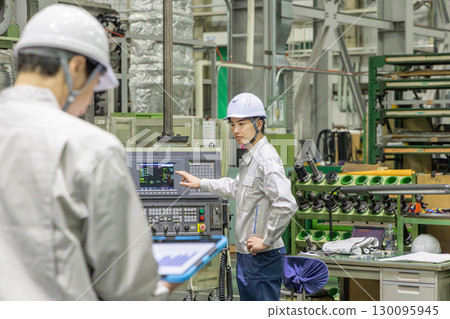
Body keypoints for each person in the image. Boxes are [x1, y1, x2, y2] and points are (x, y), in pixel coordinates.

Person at [0, 4, 172, 300]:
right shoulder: (92, 148)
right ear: (77, 67)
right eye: (94, 88)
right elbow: (127, 287)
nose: (88, 102)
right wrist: (162, 289)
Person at [176, 93, 298, 301]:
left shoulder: (266, 159)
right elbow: (237, 187)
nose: (235, 130)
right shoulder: (251, 156)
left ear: (258, 124)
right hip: (248, 255)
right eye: (233, 124)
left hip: (262, 257)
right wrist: (201, 183)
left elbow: (286, 203)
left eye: (241, 124)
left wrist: (266, 241)